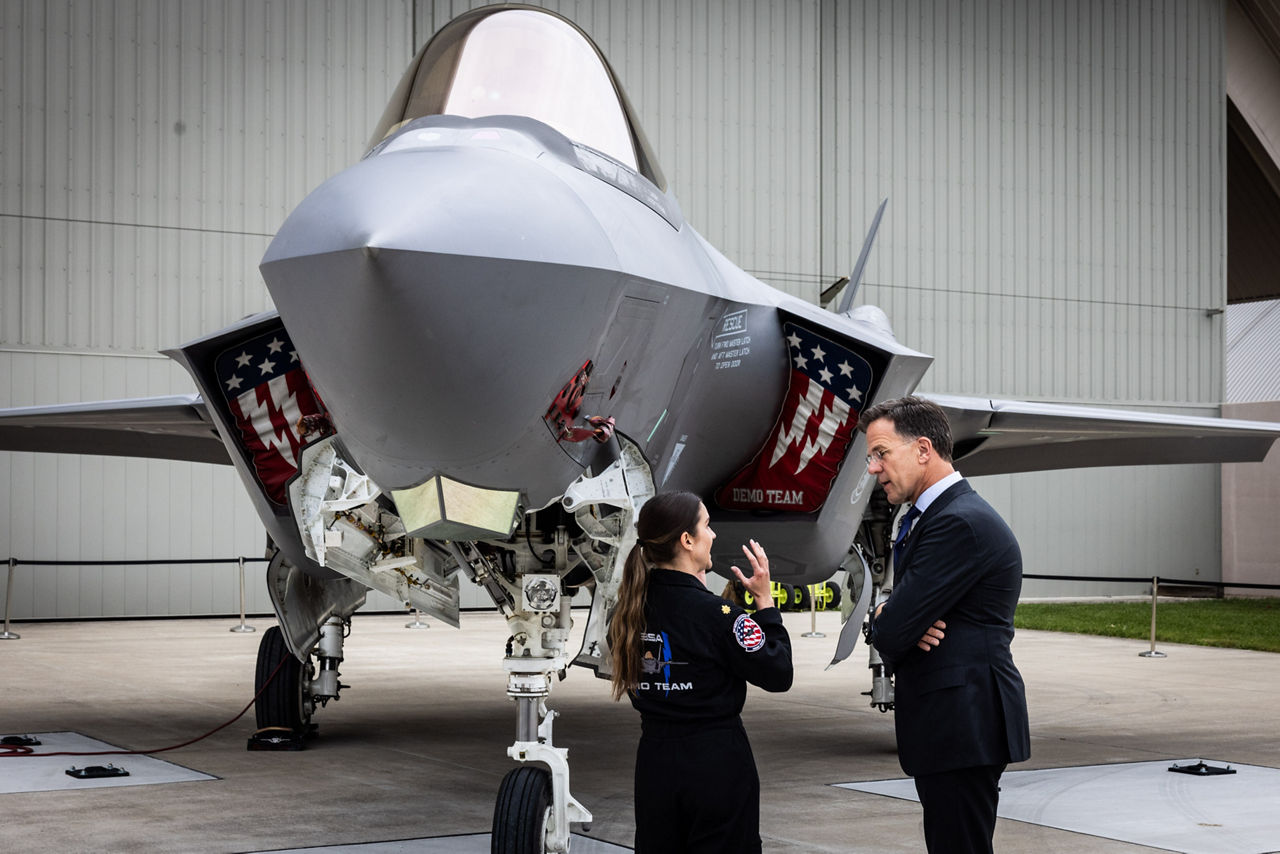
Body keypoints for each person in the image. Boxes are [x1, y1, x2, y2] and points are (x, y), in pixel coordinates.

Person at [861, 396, 1030, 854]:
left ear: (922, 449)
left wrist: (888, 620)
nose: (873, 468)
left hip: (964, 724)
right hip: (952, 724)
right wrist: (892, 617)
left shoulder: (958, 522)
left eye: (881, 453)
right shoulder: (930, 516)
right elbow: (897, 620)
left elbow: (893, 630)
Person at [608, 491, 793, 854]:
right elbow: (779, 672)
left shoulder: (625, 615)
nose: (714, 535)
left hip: (655, 764)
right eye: (707, 525)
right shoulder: (718, 616)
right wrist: (766, 605)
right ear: (687, 540)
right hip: (715, 764)